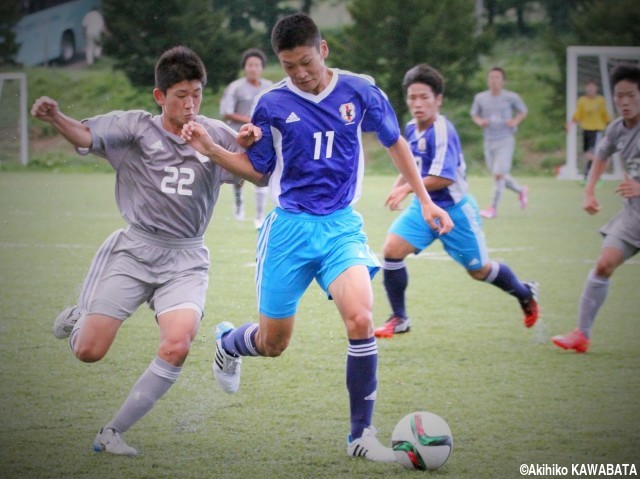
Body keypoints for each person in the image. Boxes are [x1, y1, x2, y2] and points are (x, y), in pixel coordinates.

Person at [181, 13, 453, 463]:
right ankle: (229, 343)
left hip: (341, 228)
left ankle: (360, 437)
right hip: (288, 229)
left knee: (361, 320)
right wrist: (215, 151)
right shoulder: (270, 105)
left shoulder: (360, 90)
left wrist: (424, 200)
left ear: (323, 50)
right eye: (290, 67)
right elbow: (260, 173)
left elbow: (394, 143)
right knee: (274, 343)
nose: (301, 74)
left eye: (307, 62)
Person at [30, 46, 245, 455]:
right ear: (159, 96)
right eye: (180, 95)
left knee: (178, 344)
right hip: (135, 251)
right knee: (89, 352)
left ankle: (112, 432)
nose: (190, 103)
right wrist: (56, 116)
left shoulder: (213, 133)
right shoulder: (135, 128)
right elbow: (87, 135)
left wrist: (246, 141)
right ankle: (80, 317)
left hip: (186, 258)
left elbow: (254, 166)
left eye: (197, 93)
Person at [372, 64, 539, 339]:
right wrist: (399, 184)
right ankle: (399, 318)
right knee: (391, 251)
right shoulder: (412, 128)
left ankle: (524, 292)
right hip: (424, 209)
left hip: (455, 212)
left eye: (424, 97)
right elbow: (409, 164)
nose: (417, 103)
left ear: (438, 99)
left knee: (479, 270)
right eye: (412, 98)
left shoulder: (442, 130)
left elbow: (444, 177)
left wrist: (407, 190)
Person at [552, 64, 640, 353]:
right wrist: (589, 191)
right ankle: (582, 334)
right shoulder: (617, 128)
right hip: (634, 215)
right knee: (604, 264)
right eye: (619, 96)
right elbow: (601, 156)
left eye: (631, 95)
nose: (624, 102)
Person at [220, 48, 273, 228]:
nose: (253, 68)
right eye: (250, 65)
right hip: (240, 136)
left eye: (257, 65)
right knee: (239, 177)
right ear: (245, 67)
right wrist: (250, 121)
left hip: (263, 139)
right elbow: (226, 113)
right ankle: (238, 205)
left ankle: (259, 215)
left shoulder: (269, 87)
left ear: (262, 68)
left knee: (261, 175)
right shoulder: (236, 87)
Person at [470, 66, 529, 219]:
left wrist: (515, 121)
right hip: (489, 139)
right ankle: (521, 190)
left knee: (498, 175)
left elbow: (523, 111)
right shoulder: (480, 98)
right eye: (491, 77)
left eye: (497, 78)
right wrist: (480, 122)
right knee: (498, 174)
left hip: (505, 139)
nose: (494, 81)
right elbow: (474, 114)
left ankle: (492, 209)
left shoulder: (511, 97)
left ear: (503, 81)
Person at [566, 79, 612, 182]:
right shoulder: (582, 101)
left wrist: (612, 124)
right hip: (586, 130)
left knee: (594, 154)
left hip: (597, 131)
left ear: (596, 88)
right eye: (589, 86)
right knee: (589, 154)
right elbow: (578, 114)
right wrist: (570, 124)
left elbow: (605, 115)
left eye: (593, 86)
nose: (590, 89)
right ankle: (590, 175)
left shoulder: (600, 100)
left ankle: (593, 175)